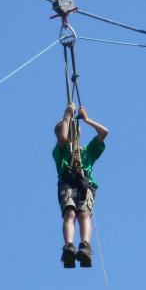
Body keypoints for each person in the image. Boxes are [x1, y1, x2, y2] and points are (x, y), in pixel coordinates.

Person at [53, 104, 108, 268]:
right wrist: (67, 116)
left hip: (85, 184)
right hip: (68, 182)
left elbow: (104, 132)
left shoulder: (87, 152)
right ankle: (69, 245)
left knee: (83, 214)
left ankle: (85, 245)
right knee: (70, 213)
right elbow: (63, 138)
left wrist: (87, 119)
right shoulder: (60, 151)